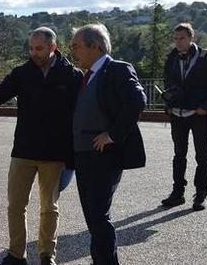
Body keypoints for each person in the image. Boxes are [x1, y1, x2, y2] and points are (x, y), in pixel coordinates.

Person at [0, 27, 81, 265]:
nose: (33, 53)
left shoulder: (72, 75)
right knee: (16, 205)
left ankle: (47, 255)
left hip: (55, 153)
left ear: (54, 47)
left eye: (39, 48)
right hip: (24, 150)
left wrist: (74, 154)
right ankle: (15, 255)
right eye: (30, 48)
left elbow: (82, 114)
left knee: (49, 207)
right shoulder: (23, 73)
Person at [69, 24, 146, 265]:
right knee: (93, 218)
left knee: (99, 216)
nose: (73, 52)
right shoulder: (85, 76)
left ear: (96, 47)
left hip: (104, 156)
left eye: (76, 46)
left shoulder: (117, 70)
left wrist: (112, 135)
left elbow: (137, 101)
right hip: (82, 155)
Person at [160, 23, 207, 211]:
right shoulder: (172, 57)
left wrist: (205, 108)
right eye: (175, 38)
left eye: (182, 38)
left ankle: (201, 193)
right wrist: (168, 106)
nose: (178, 42)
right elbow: (168, 84)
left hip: (199, 114)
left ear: (191, 38)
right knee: (179, 154)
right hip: (178, 114)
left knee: (201, 155)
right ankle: (177, 192)